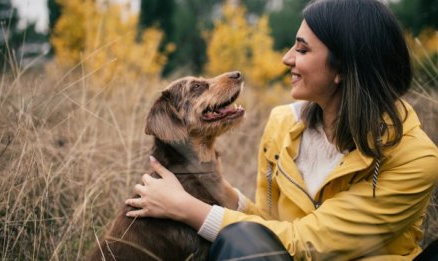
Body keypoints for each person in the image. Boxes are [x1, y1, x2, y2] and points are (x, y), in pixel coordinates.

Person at [125, 0, 438, 259]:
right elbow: (269, 227)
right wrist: (224, 192)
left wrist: (187, 209)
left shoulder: (415, 158)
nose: (286, 58)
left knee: (238, 242)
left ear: (343, 67)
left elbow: (306, 242)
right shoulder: (282, 124)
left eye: (301, 50)